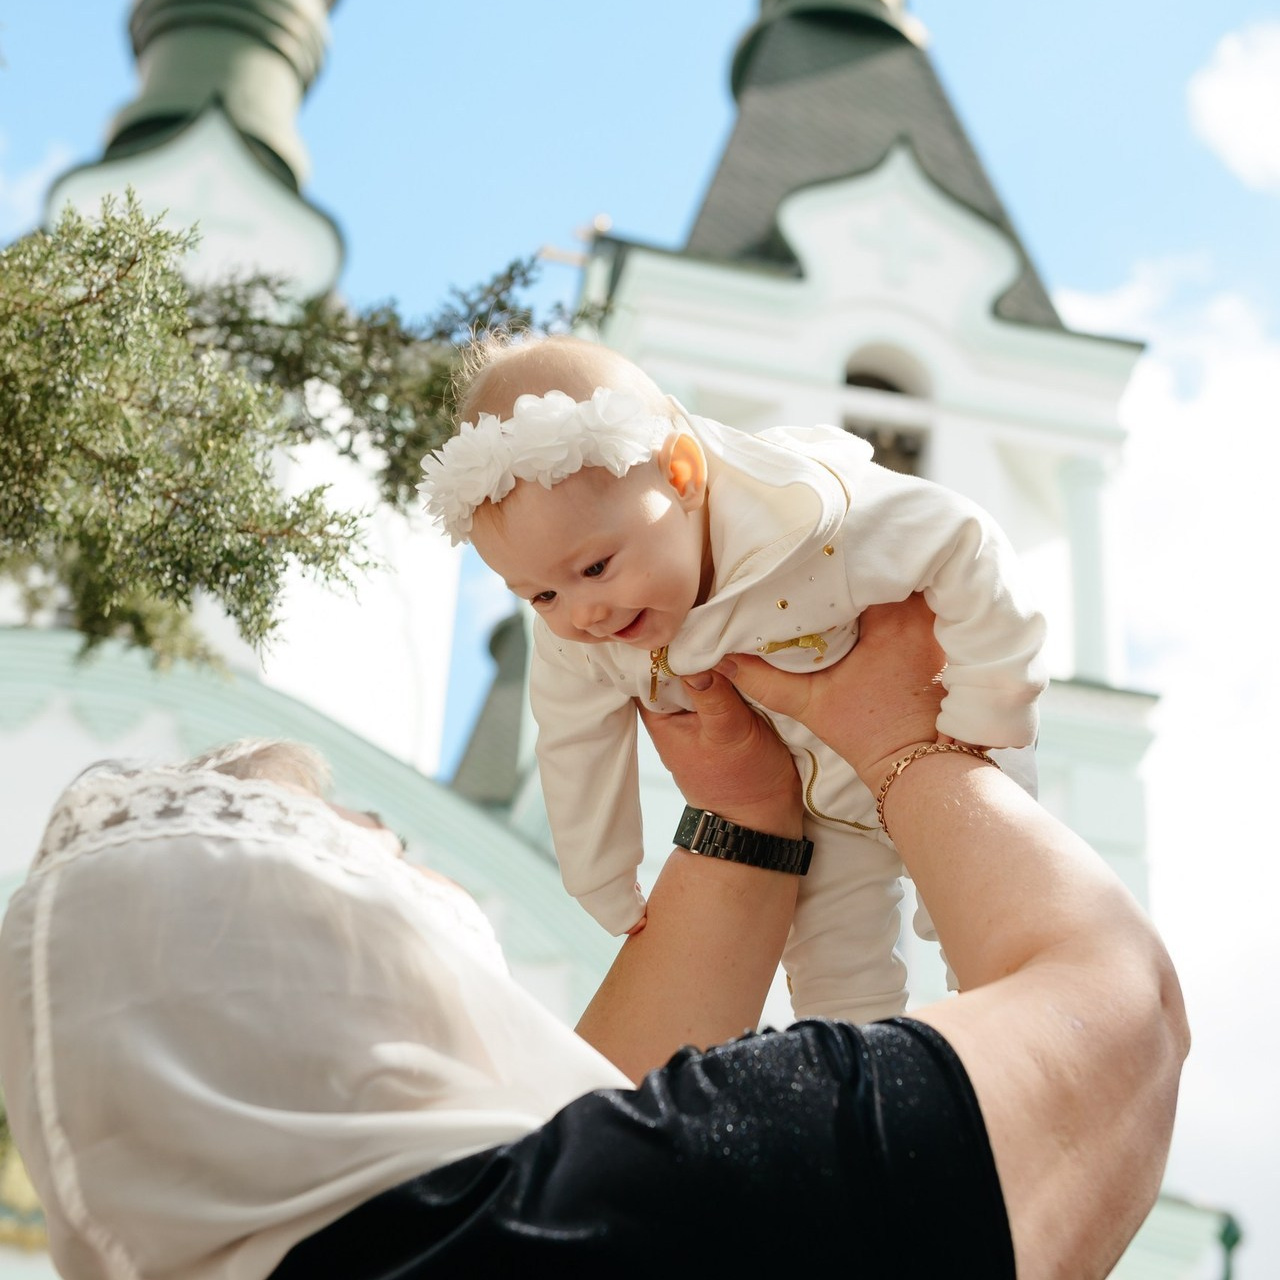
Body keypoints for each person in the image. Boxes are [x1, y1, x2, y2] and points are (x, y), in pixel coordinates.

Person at [0, 599, 1187, 1279]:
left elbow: (571, 1140)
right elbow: (1115, 1016)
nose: (425, 870)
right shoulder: (625, 1223)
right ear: (335, 952)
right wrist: (896, 739)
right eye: (383, 856)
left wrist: (748, 815)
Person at [419, 332, 1047, 1022]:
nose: (583, 613)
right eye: (541, 596)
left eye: (595, 568)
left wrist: (986, 711)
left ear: (682, 476)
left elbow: (964, 540)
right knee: (836, 974)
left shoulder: (814, 521)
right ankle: (862, 1106)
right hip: (815, 807)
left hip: (946, 746)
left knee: (994, 912)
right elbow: (574, 744)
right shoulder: (579, 644)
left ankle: (1021, 1037)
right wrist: (601, 875)